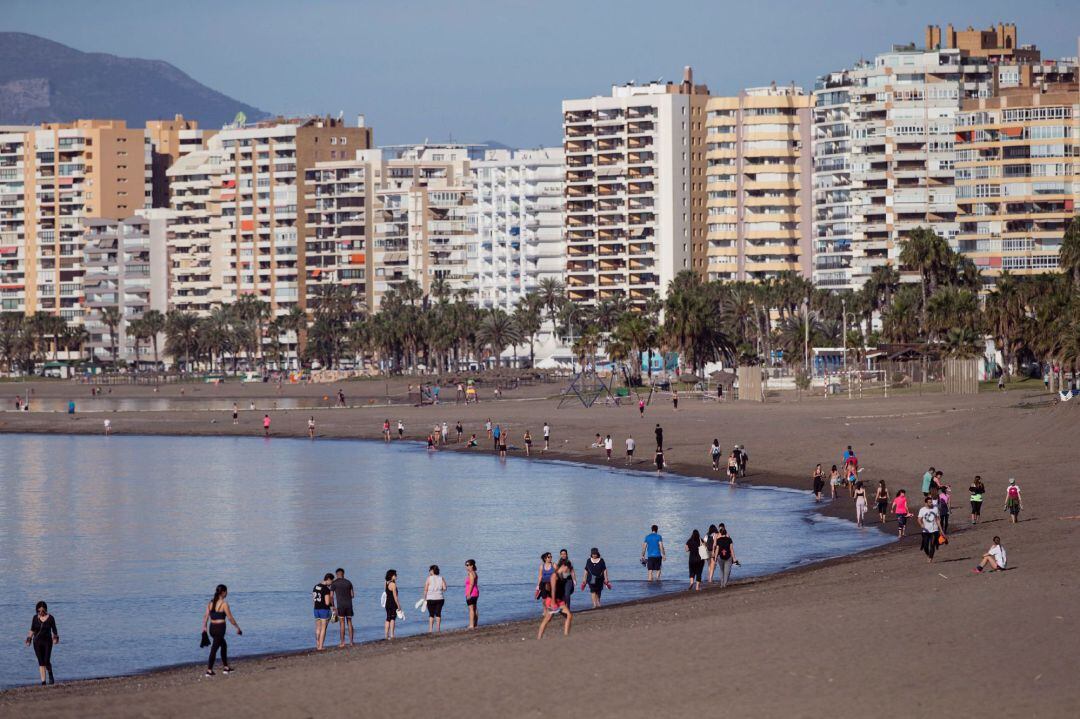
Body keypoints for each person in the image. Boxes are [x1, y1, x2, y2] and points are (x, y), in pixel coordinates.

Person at [202, 585, 241, 676]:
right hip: (220, 629)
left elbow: (205, 617)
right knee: (214, 649)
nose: (227, 593)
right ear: (223, 592)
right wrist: (237, 628)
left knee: (223, 645)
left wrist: (204, 627)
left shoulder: (210, 603)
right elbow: (230, 618)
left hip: (212, 629)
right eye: (226, 591)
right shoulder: (224, 604)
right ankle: (209, 670)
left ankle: (226, 667)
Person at [537, 558, 573, 639]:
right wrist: (553, 602)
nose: (567, 571)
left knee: (569, 615)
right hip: (552, 600)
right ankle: (539, 638)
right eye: (567, 569)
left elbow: (560, 590)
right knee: (547, 619)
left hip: (559, 601)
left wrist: (563, 600)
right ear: (563, 566)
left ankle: (566, 636)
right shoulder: (554, 575)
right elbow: (553, 590)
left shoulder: (561, 576)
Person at [26, 601, 59, 685]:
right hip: (37, 642)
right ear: (36, 610)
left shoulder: (51, 618)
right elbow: (32, 629)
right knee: (41, 662)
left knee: (46, 661)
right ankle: (43, 682)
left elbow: (54, 630)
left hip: (47, 642)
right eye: (38, 611)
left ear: (46, 610)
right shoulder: (34, 618)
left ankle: (50, 673)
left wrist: (55, 638)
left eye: (42, 611)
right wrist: (29, 639)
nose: (40, 613)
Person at [331, 568, 355, 647]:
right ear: (343, 574)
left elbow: (331, 596)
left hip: (340, 605)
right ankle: (351, 642)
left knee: (342, 623)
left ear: (336, 574)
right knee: (349, 622)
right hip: (349, 605)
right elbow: (352, 595)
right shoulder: (349, 582)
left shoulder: (334, 583)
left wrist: (333, 606)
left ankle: (342, 643)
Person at [423, 565, 447, 633]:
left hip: (430, 598)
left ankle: (430, 629)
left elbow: (425, 589)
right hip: (440, 598)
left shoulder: (428, 578)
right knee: (438, 613)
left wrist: (424, 599)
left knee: (431, 614)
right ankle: (438, 629)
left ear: (432, 571)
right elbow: (445, 588)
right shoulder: (441, 578)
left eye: (430, 570)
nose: (429, 571)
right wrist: (439, 589)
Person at [312, 573, 333, 650]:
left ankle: (317, 644)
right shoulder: (326, 589)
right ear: (328, 579)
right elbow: (327, 602)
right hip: (324, 609)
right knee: (323, 628)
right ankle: (321, 647)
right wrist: (332, 606)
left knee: (318, 628)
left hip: (316, 609)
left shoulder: (315, 586)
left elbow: (313, 600)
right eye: (331, 581)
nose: (331, 583)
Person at [918, 497, 942, 562]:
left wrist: (941, 530)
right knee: (925, 546)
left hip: (934, 530)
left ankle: (930, 558)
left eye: (931, 502)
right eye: (930, 502)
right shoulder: (922, 510)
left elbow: (937, 519)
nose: (931, 503)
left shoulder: (935, 509)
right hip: (925, 531)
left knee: (932, 545)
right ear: (926, 503)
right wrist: (921, 525)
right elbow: (919, 519)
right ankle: (929, 555)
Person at [383, 570, 400, 640]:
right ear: (392, 576)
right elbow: (395, 597)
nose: (396, 576)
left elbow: (386, 592)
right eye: (395, 575)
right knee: (392, 619)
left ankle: (386, 635)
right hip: (393, 603)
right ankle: (392, 635)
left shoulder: (386, 583)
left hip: (387, 603)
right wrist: (399, 605)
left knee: (388, 618)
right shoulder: (393, 584)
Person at [464, 559, 479, 629]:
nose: (466, 567)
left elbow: (471, 584)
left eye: (467, 565)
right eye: (466, 565)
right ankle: (475, 623)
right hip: (476, 592)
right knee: (475, 608)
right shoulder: (475, 573)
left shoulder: (471, 573)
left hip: (472, 593)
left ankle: (471, 625)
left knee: (471, 609)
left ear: (471, 566)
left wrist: (468, 593)